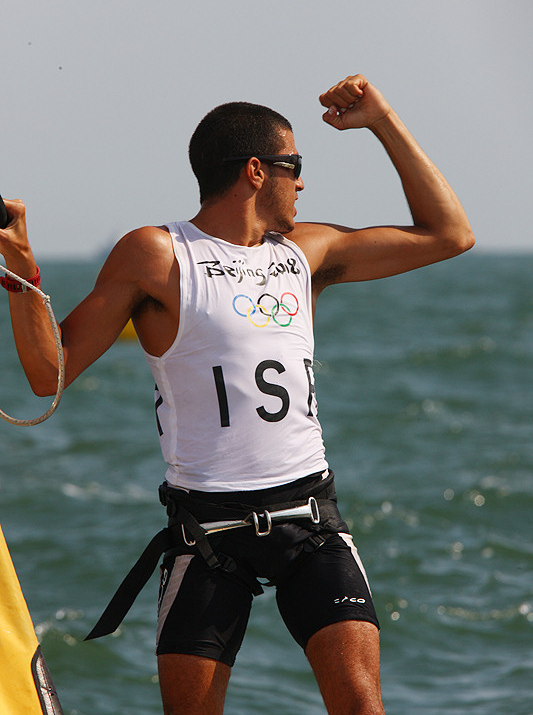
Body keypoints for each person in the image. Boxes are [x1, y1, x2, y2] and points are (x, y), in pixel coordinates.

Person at [0, 74, 474, 715]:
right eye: (295, 166)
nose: (303, 184)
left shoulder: (308, 251)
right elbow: (47, 375)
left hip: (310, 522)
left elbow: (451, 235)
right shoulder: (157, 256)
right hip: (208, 535)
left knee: (363, 707)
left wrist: (383, 120)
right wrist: (22, 269)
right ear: (256, 170)